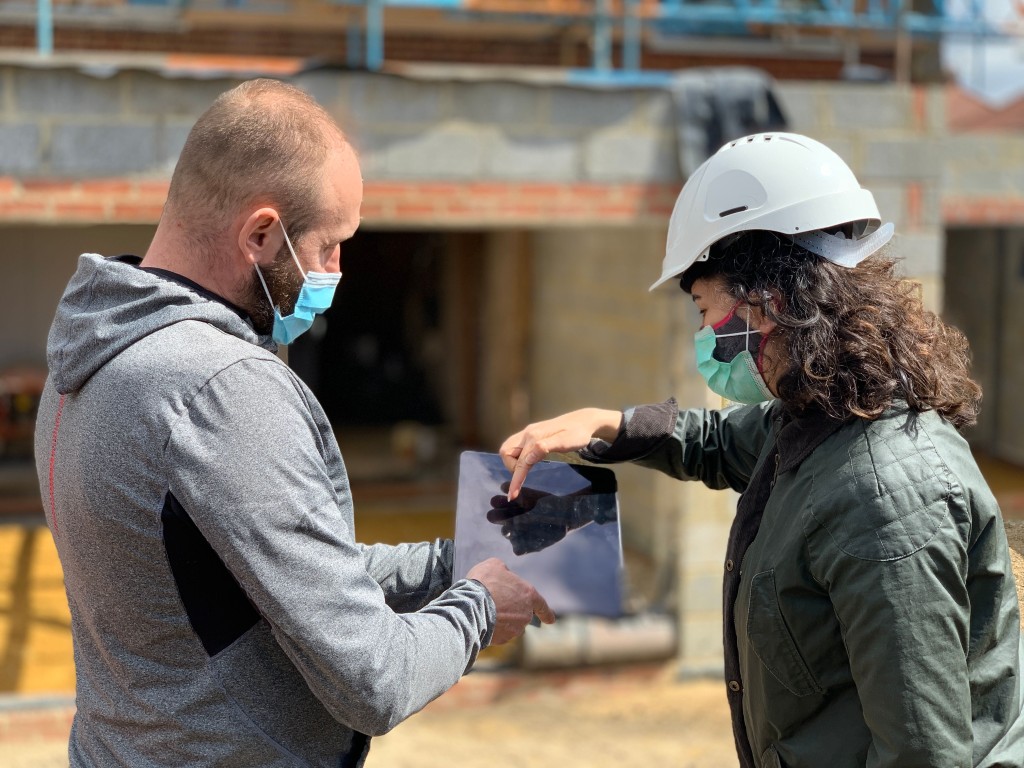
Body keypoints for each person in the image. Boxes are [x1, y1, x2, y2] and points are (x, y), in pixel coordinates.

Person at [34, 78, 554, 767]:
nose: (338, 270)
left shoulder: (92, 351)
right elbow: (375, 678)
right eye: (330, 245)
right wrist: (480, 605)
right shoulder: (220, 386)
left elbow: (277, 572)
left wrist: (460, 558)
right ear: (259, 232)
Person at [500, 132, 1024, 767]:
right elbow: (718, 442)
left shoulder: (885, 497)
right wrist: (604, 424)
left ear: (768, 301)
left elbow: (922, 754)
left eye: (703, 309)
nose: (703, 336)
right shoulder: (821, 417)